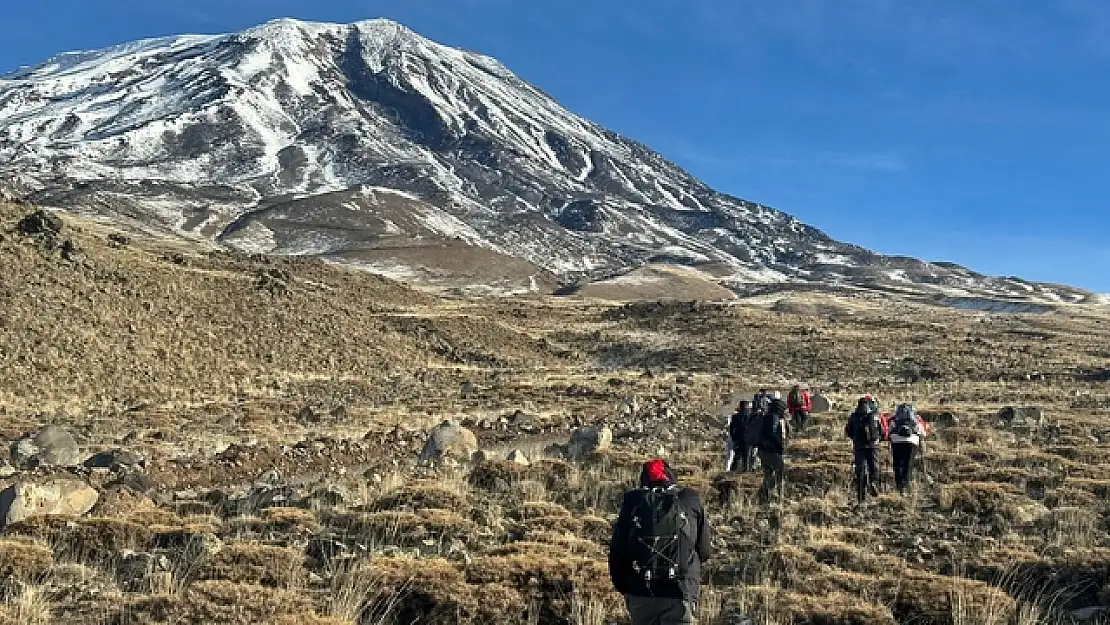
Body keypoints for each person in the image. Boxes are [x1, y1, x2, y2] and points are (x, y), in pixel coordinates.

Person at [609, 459, 713, 625]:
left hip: (640, 594)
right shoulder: (689, 499)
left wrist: (626, 588)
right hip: (679, 594)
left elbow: (617, 552)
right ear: (671, 477)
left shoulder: (632, 503)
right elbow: (705, 552)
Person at [845, 396, 883, 505]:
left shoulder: (853, 416)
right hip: (872, 446)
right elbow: (881, 431)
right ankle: (872, 482)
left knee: (860, 470)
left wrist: (855, 440)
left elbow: (848, 431)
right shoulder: (875, 416)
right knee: (874, 467)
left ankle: (861, 497)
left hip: (859, 446)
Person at [757, 392, 791, 504]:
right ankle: (779, 497)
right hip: (771, 451)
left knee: (768, 473)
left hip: (763, 450)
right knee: (780, 472)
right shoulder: (774, 418)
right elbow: (772, 434)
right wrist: (780, 446)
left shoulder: (766, 416)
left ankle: (765, 496)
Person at [888, 403, 928, 495]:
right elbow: (923, 433)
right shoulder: (917, 418)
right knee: (908, 464)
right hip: (912, 441)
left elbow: (888, 431)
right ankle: (905, 486)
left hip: (896, 441)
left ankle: (898, 485)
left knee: (897, 464)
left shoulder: (895, 418)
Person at [728, 400, 756, 472]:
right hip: (748, 440)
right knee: (746, 459)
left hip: (738, 439)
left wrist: (734, 438)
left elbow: (731, 429)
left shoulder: (735, 417)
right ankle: (745, 473)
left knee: (737, 457)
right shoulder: (751, 417)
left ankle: (732, 472)